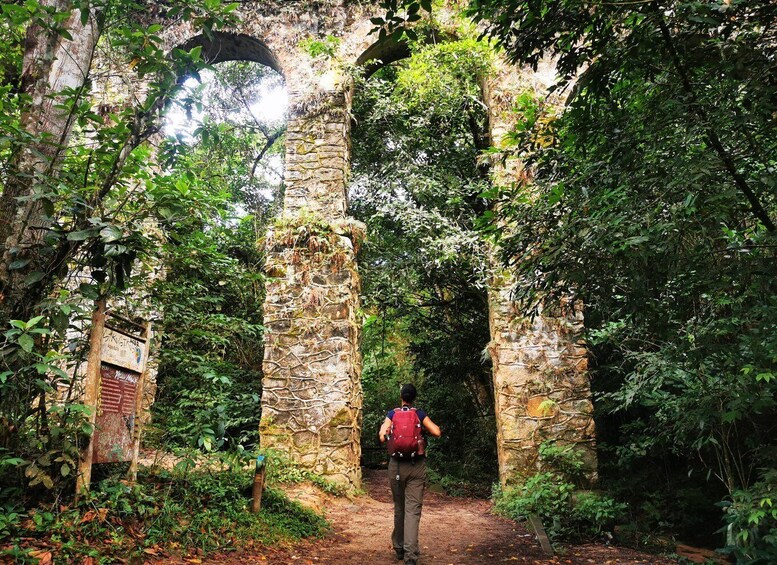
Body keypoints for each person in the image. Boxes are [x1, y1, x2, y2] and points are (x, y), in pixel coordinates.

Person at [379, 383, 441, 565]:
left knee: (399, 508)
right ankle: (410, 556)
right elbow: (437, 431)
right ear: (414, 397)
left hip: (396, 466)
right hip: (416, 466)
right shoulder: (419, 414)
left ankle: (398, 548)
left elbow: (382, 435)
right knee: (413, 511)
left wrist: (388, 434)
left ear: (401, 396)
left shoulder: (392, 414)